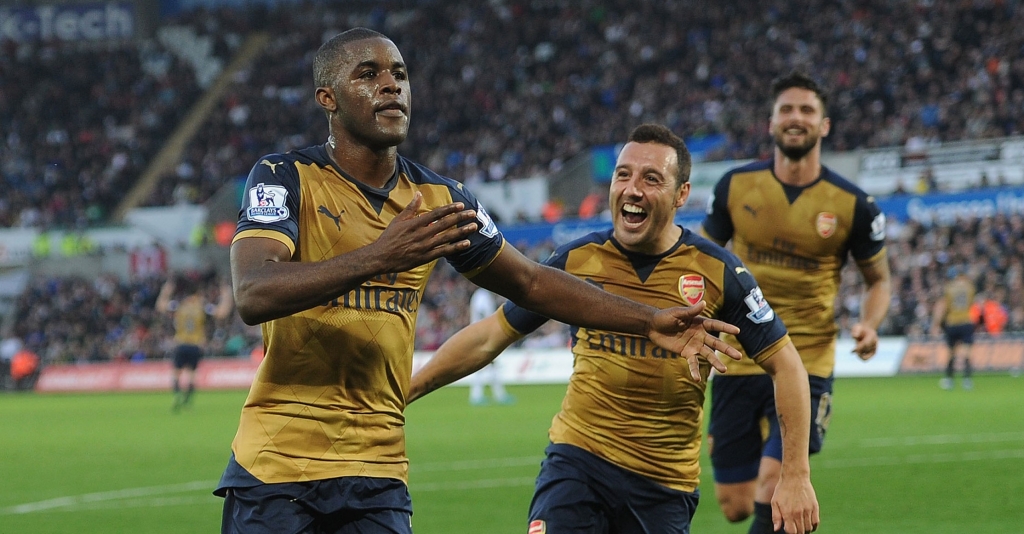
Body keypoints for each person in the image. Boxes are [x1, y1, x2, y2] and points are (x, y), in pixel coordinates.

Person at [214, 29, 743, 534]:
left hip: (377, 473)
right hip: (276, 467)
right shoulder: (285, 176)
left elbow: (533, 284)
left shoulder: (441, 199)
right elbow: (255, 291)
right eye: (368, 74)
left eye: (399, 73)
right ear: (327, 98)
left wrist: (648, 319)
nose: (391, 85)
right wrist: (381, 255)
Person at [410, 124, 819, 534]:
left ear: (682, 195)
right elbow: (490, 336)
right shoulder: (576, 259)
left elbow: (788, 367)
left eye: (651, 178)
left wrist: (796, 474)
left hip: (663, 486)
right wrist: (404, 391)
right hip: (577, 462)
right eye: (623, 174)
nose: (632, 188)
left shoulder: (719, 272)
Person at [702, 71, 891, 534]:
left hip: (807, 360)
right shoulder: (734, 187)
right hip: (739, 356)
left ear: (824, 126)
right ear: (771, 123)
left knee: (778, 482)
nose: (796, 118)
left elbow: (878, 280)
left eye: (807, 110)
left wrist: (870, 323)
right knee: (735, 505)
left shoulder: (854, 204)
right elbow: (702, 262)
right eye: (787, 109)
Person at [155, 273, 233, 411]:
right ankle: (187, 399)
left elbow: (160, 306)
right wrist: (226, 293)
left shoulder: (179, 305)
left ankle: (177, 395)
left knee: (176, 372)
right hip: (196, 345)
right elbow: (222, 312)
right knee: (191, 373)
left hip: (180, 343)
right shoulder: (203, 306)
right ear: (199, 292)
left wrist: (166, 289)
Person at [930, 266, 977, 390]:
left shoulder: (949, 288)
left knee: (951, 353)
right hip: (966, 321)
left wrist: (935, 325)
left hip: (952, 323)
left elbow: (942, 307)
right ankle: (967, 380)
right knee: (967, 352)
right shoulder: (970, 287)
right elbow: (971, 303)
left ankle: (949, 380)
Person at [466, 287, 513, 405]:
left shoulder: (482, 295)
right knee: (484, 365)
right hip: (482, 335)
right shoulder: (482, 295)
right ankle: (480, 396)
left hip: (482, 334)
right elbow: (482, 314)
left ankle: (495, 394)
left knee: (490, 366)